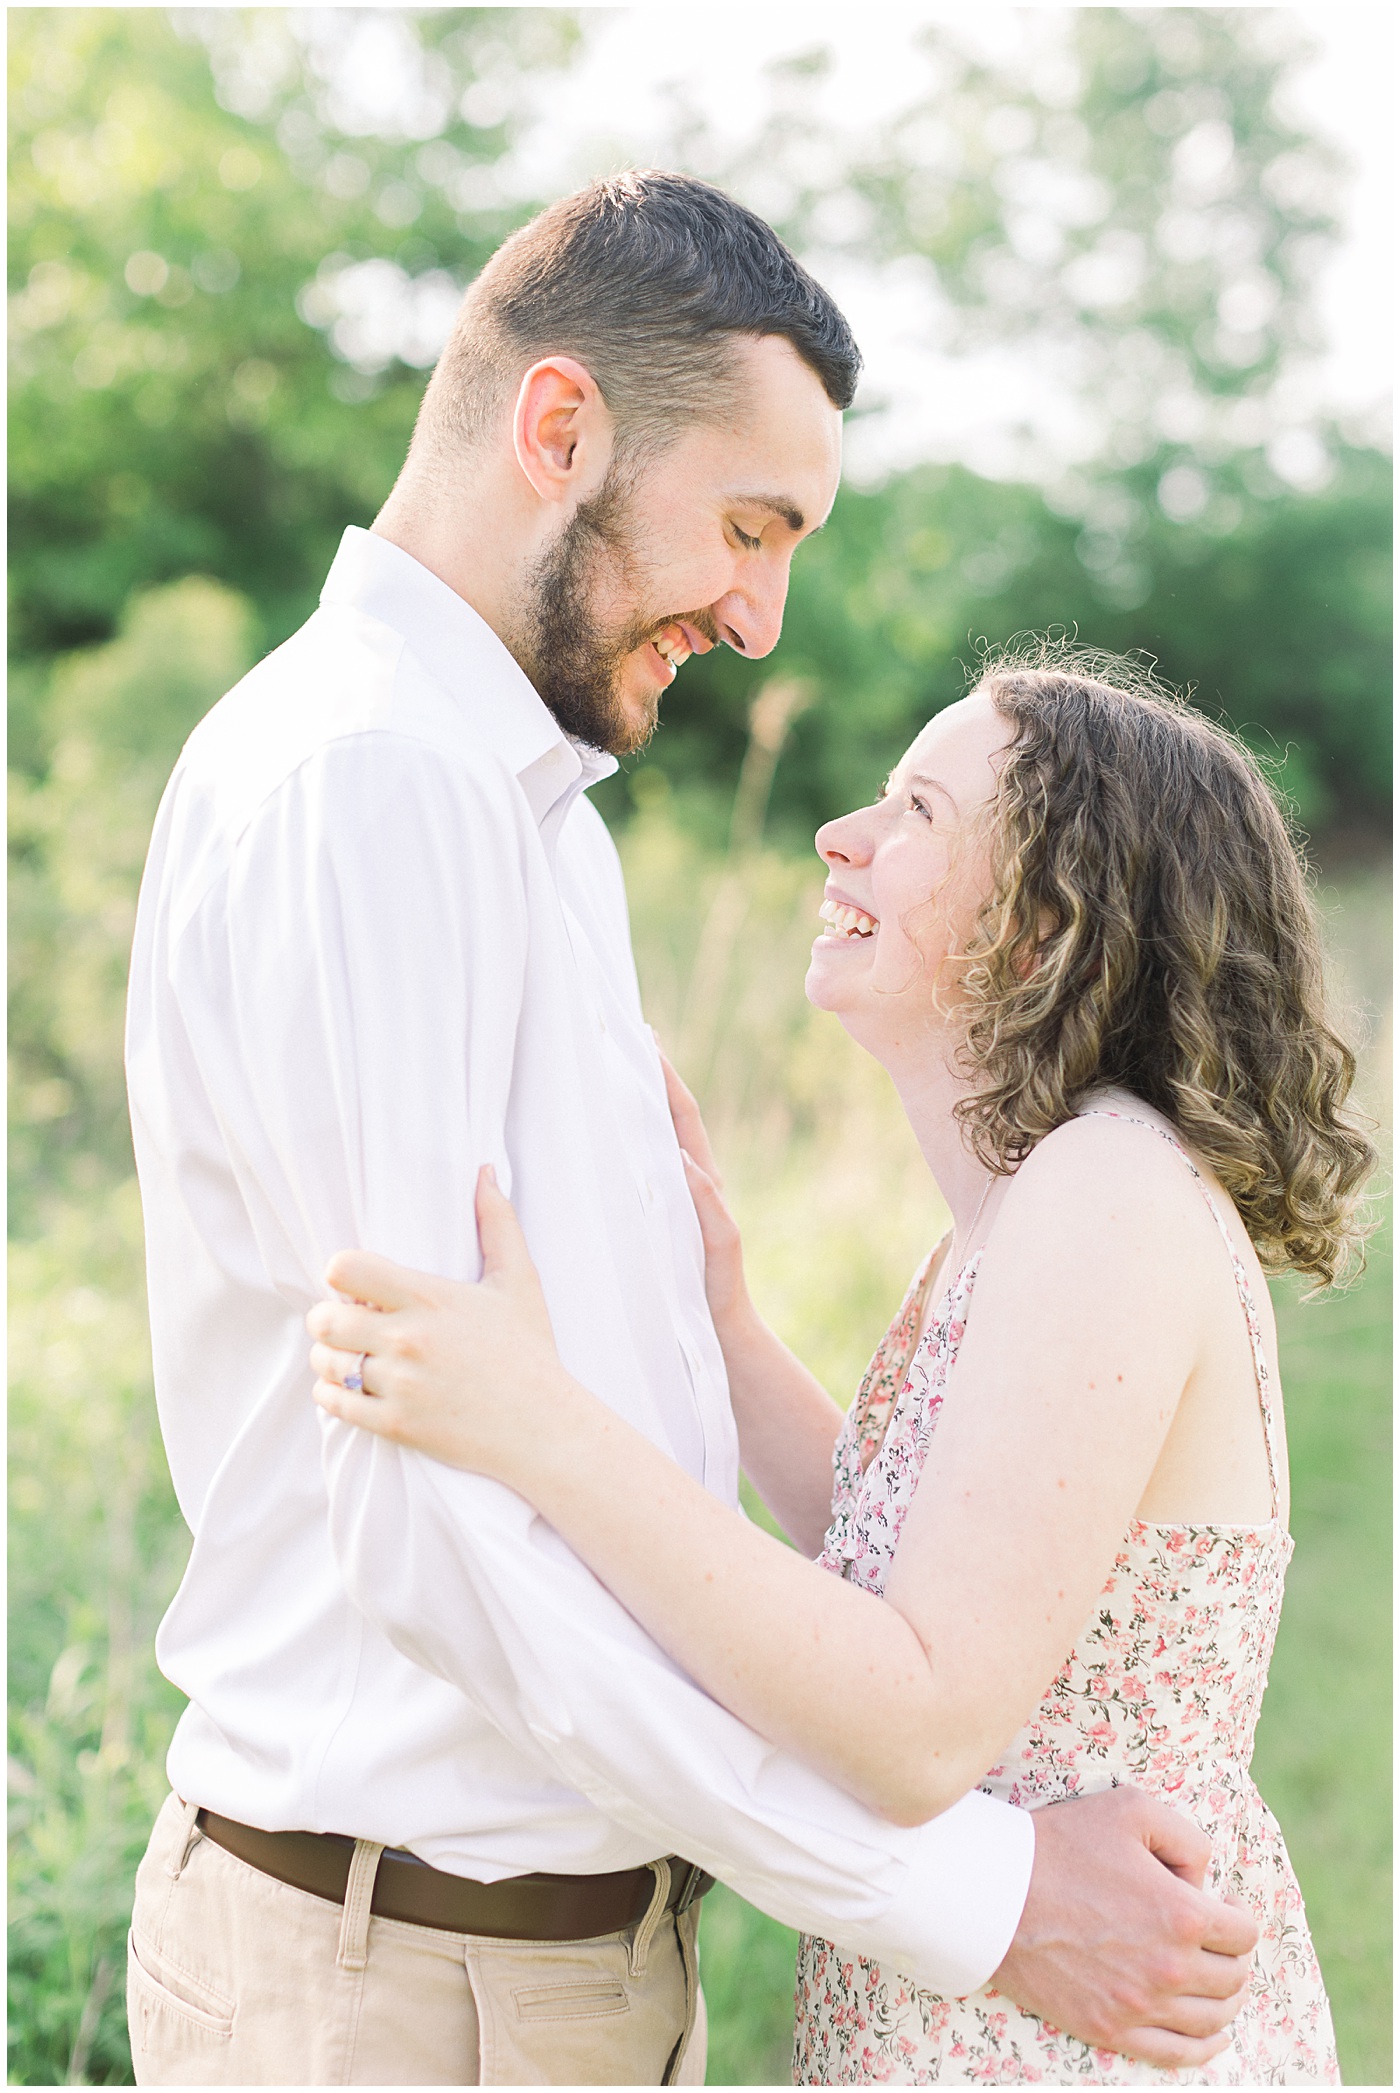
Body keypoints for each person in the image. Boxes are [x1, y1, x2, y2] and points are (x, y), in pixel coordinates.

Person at [126, 172, 1256, 2087]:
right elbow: (443, 1526)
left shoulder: (530, 811)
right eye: (748, 527)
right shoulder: (377, 782)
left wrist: (714, 1341)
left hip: (557, 1968)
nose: (761, 612)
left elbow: (588, 1454)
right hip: (398, 1982)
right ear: (558, 426)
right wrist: (971, 1899)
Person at [309, 651, 1372, 2086]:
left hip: (1071, 2040)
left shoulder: (1106, 1194)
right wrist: (731, 1326)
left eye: (917, 809)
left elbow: (919, 1714)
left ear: (1042, 929)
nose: (844, 836)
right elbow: (932, 1573)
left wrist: (537, 1421)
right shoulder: (1037, 1205)